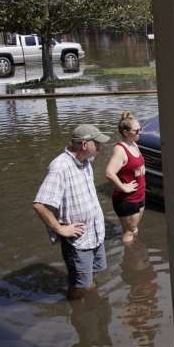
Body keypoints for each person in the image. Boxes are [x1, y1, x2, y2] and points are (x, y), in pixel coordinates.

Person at [34, 124, 110, 300]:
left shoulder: (86, 161)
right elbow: (40, 205)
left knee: (92, 275)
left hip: (95, 234)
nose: (100, 148)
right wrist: (60, 229)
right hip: (79, 242)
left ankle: (92, 303)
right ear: (84, 144)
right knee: (79, 285)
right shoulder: (60, 167)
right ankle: (76, 309)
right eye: (97, 144)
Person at [104, 111, 146, 244]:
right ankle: (129, 254)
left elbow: (134, 166)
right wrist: (123, 187)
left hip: (139, 195)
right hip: (127, 199)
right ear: (126, 132)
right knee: (129, 232)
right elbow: (109, 173)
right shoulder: (120, 150)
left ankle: (136, 250)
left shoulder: (134, 144)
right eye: (137, 131)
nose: (140, 132)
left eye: (140, 129)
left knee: (134, 229)